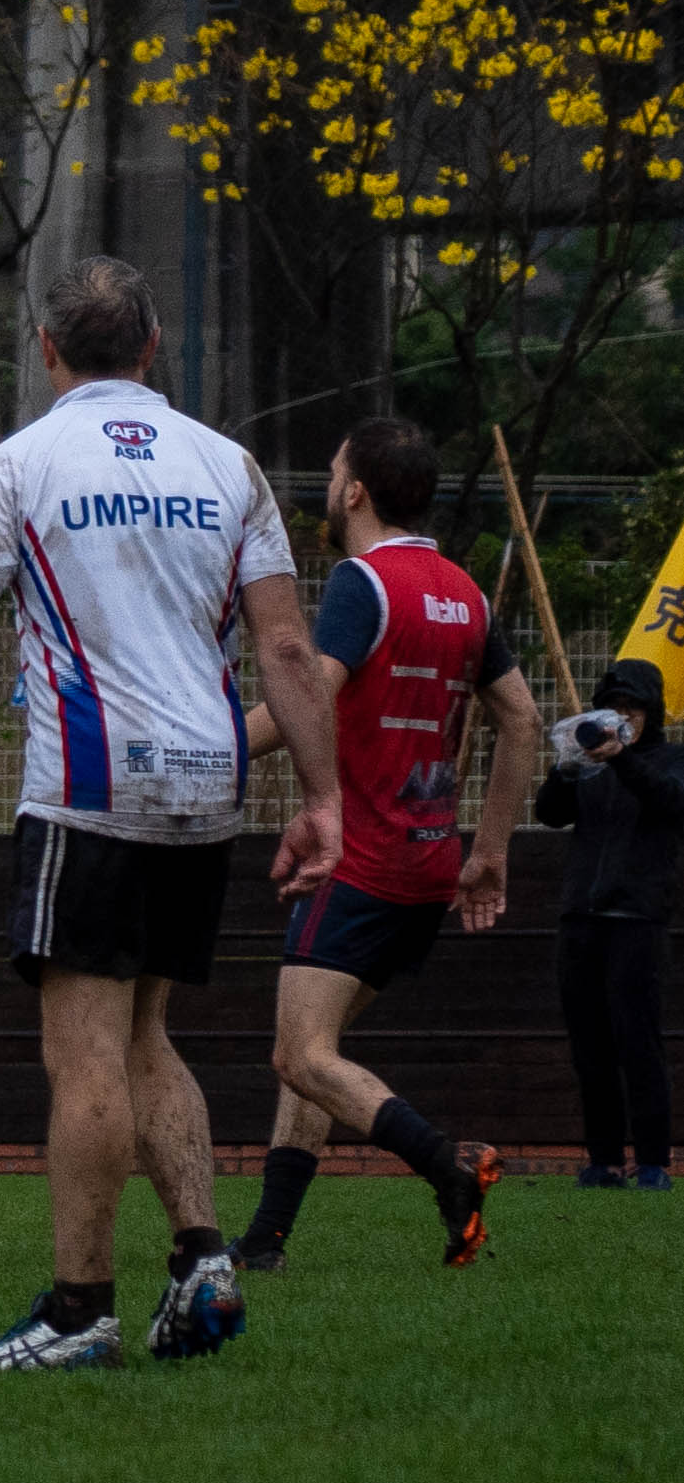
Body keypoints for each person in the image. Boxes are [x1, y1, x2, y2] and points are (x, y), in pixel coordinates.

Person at [0, 258, 342, 1371]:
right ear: (153, 349)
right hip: (205, 789)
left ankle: (78, 1311)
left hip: (90, 791)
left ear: (46, 349)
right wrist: (322, 798)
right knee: (149, 1033)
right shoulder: (227, 463)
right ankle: (201, 1259)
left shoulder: (22, 462)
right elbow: (287, 648)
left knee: (85, 1055)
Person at [230, 420, 531, 1272]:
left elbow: (305, 699)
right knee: (314, 1054)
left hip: (358, 862)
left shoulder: (363, 581)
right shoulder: (463, 593)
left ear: (355, 491)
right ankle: (265, 1241)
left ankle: (448, 1165)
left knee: (299, 1054)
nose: (328, 487)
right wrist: (489, 851)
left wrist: (207, 749)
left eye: (333, 472)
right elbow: (521, 718)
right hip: (428, 866)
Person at [540, 655, 681, 1192]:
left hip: (637, 920)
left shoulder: (671, 760)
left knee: (638, 1043)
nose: (623, 717)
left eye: (633, 708)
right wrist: (567, 765)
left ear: (652, 712)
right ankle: (603, 1160)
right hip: (580, 918)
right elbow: (550, 813)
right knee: (590, 1046)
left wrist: (622, 758)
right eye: (614, 707)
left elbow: (670, 801)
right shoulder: (590, 765)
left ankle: (652, 1161)